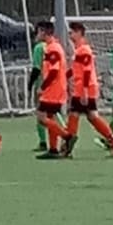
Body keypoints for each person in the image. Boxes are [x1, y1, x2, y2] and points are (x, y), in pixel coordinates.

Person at [63, 23, 113, 157]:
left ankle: (67, 146)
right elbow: (76, 69)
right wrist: (64, 77)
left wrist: (84, 90)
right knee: (91, 116)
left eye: (72, 32)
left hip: (84, 88)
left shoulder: (84, 50)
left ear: (79, 32)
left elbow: (86, 71)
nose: (70, 35)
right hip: (84, 88)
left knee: (74, 115)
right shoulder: (80, 49)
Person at [35, 20, 68, 160]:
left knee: (41, 117)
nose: (37, 35)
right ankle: (53, 149)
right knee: (49, 117)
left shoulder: (52, 49)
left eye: (38, 32)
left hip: (53, 89)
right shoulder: (52, 47)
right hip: (55, 88)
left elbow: (54, 71)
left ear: (43, 32)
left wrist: (42, 87)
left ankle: (67, 136)